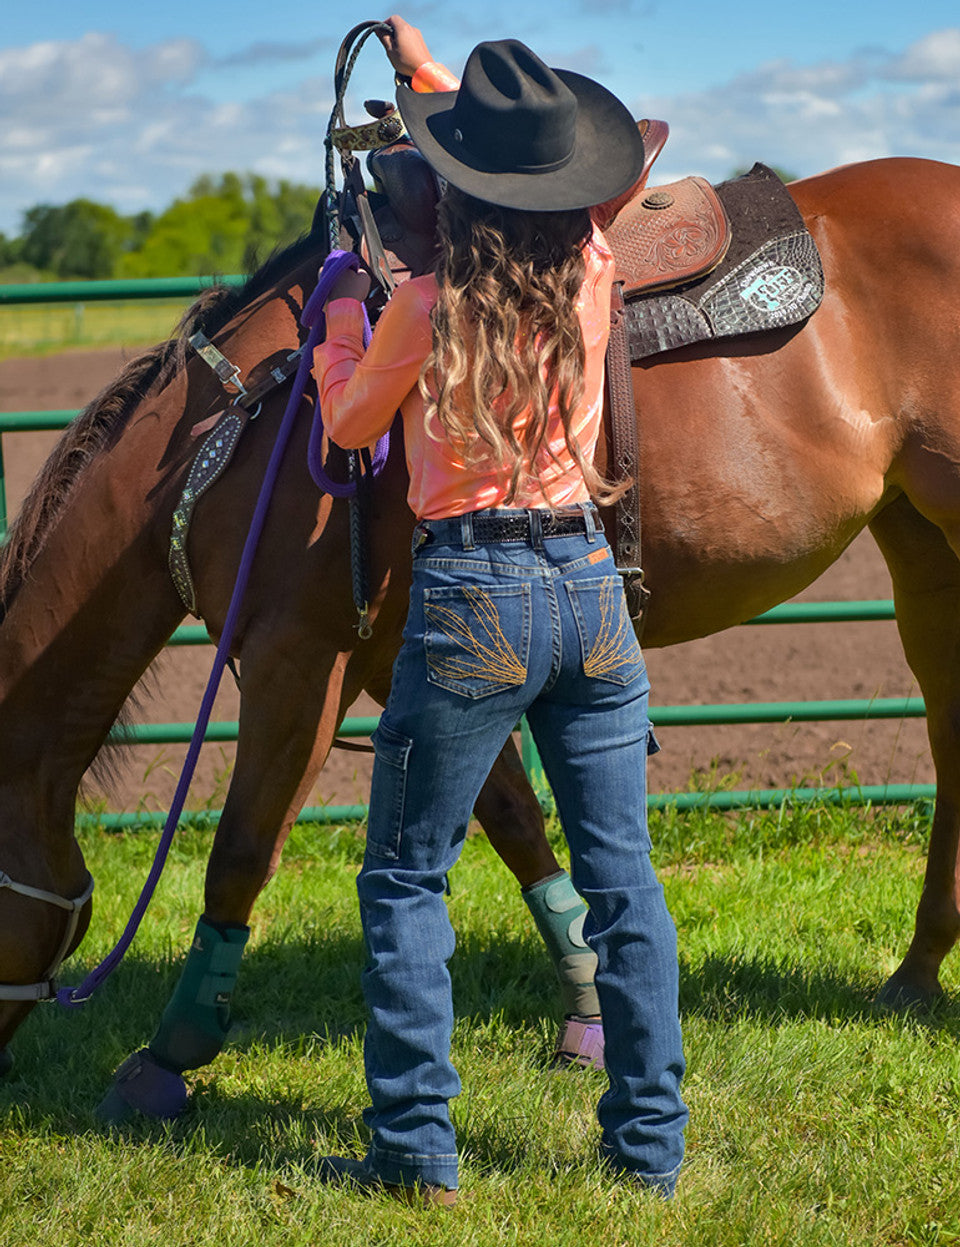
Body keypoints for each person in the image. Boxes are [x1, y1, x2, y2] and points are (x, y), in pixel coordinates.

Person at [311, 16, 687, 1206]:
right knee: (623, 875)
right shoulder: (593, 267)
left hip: (472, 591)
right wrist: (439, 76)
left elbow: (348, 429)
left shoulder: (422, 305)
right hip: (589, 588)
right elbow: (572, 175)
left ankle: (417, 1150)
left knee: (408, 877)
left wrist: (334, 317)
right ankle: (648, 1146)